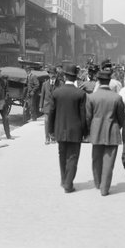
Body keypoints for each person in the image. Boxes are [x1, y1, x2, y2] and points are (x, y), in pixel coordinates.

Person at [48, 63, 87, 193]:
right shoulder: (80, 94)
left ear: (64, 76)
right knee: (73, 157)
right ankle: (68, 184)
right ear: (75, 78)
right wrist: (85, 131)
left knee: (62, 155)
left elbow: (51, 113)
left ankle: (64, 179)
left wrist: (50, 130)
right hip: (75, 131)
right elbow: (83, 115)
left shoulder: (57, 92)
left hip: (59, 129)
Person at [86, 69, 125, 196]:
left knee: (96, 158)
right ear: (109, 81)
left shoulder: (91, 97)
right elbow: (121, 118)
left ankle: (98, 183)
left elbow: (88, 117)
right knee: (109, 161)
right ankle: (105, 188)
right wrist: (116, 126)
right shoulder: (117, 98)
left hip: (96, 131)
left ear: (98, 81)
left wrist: (89, 130)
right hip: (112, 130)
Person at [39, 66, 57, 144]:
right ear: (48, 75)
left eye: (53, 74)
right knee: (46, 121)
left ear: (56, 74)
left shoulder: (60, 84)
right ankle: (47, 138)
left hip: (56, 107)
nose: (52, 75)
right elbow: (42, 96)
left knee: (55, 122)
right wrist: (40, 106)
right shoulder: (44, 84)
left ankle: (53, 137)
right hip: (47, 106)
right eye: (50, 74)